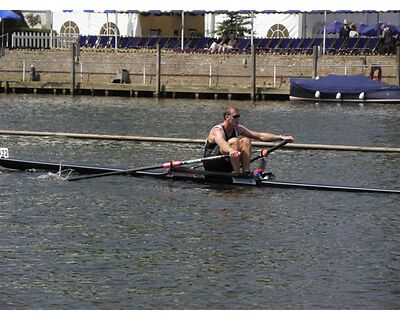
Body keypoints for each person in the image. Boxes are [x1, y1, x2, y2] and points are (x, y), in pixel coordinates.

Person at [203, 107, 294, 174]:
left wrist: (281, 137)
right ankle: (237, 173)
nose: (238, 119)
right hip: (212, 163)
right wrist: (231, 150)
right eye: (235, 116)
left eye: (239, 116)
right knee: (235, 141)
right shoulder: (217, 130)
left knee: (246, 140)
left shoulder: (238, 129)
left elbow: (260, 136)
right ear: (227, 117)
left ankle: (246, 172)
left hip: (228, 162)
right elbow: (222, 143)